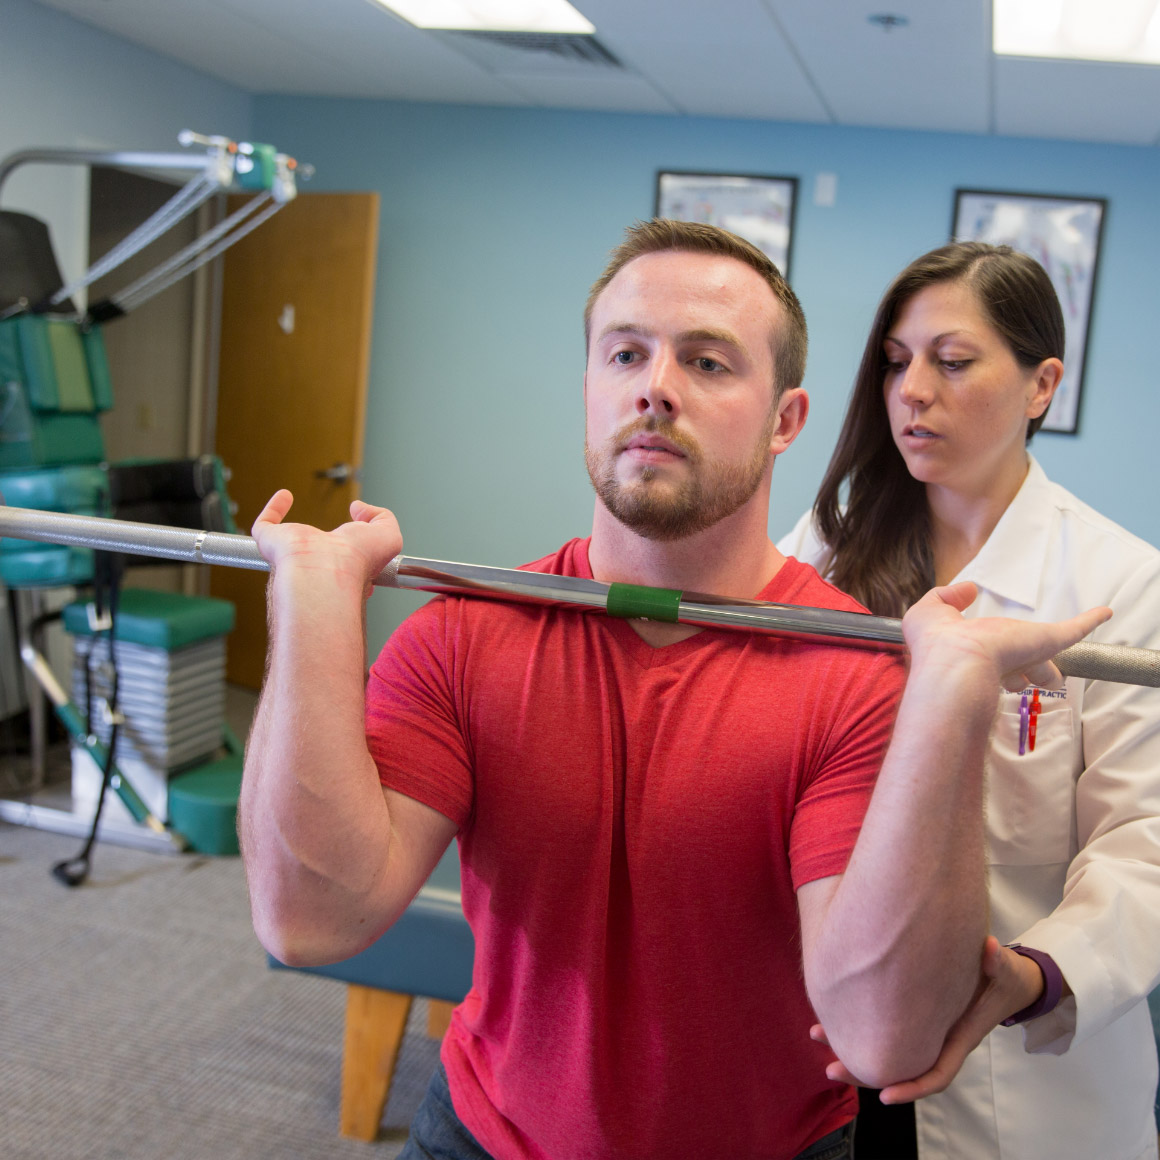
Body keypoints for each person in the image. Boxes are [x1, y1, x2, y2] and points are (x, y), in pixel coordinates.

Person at [240, 221, 1105, 1160]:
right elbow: (308, 918)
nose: (656, 386)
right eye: (625, 353)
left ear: (785, 420)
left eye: (707, 361)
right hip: (483, 1134)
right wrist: (315, 606)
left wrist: (951, 703)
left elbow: (882, 1038)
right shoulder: (461, 635)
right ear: (589, 389)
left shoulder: (855, 679)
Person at [779, 241, 1160, 1160]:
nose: (913, 390)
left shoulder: (1119, 584)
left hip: (1017, 1060)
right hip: (824, 1032)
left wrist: (1033, 975)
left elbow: (1144, 839)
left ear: (1042, 386)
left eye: (952, 362)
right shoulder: (818, 554)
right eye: (896, 362)